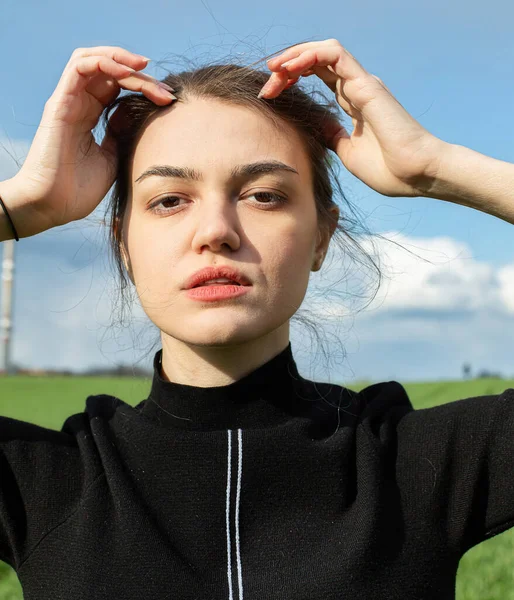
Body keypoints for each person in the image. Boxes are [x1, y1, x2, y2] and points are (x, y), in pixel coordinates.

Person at [0, 39, 513, 599]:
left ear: (321, 237)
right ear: (122, 240)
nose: (216, 230)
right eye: (169, 200)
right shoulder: (45, 482)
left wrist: (435, 167)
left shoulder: (417, 468)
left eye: (264, 195)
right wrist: (25, 203)